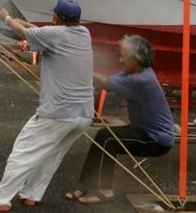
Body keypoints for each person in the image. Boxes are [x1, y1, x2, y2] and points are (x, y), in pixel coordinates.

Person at [0, 0, 95, 212]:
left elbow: (22, 31)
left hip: (58, 114)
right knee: (51, 156)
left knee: (23, 152)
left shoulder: (53, 35)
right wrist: (24, 24)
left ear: (56, 17)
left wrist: (6, 17)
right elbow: (37, 30)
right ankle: (32, 194)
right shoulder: (83, 34)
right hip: (84, 115)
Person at [66, 34, 175, 204]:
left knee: (108, 138)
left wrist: (79, 67)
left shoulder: (142, 79)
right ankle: (89, 184)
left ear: (136, 59)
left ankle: (105, 190)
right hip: (143, 131)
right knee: (104, 136)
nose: (120, 59)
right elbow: (106, 82)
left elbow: (104, 82)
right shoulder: (134, 71)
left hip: (156, 140)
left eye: (124, 55)